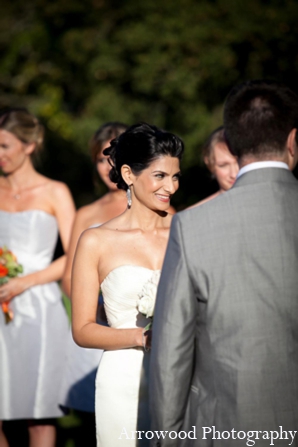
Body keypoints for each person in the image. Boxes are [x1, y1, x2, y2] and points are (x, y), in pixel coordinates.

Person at [150, 80, 298, 446]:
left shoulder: (193, 226)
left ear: (231, 145)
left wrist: (167, 439)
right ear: (293, 140)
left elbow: (172, 354)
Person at [71, 122, 184, 447]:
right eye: (160, 176)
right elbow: (82, 329)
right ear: (129, 174)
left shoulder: (184, 231)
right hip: (123, 379)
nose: (171, 187)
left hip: (181, 375)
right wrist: (142, 338)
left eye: (175, 176)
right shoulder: (96, 240)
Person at [0, 108, 76, 447]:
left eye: (4, 146)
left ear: (29, 145)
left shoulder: (55, 191)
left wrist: (24, 282)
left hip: (40, 307)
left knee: (38, 412)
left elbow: (76, 254)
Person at [59, 122, 128, 418]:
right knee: (97, 417)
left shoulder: (161, 210)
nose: (107, 166)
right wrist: (95, 311)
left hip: (138, 325)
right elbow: (68, 275)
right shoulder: (86, 214)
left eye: (114, 156)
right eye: (101, 159)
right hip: (94, 324)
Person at [190, 126, 238, 207]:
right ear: (209, 164)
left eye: (239, 162)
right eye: (223, 165)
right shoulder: (193, 215)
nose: (233, 174)